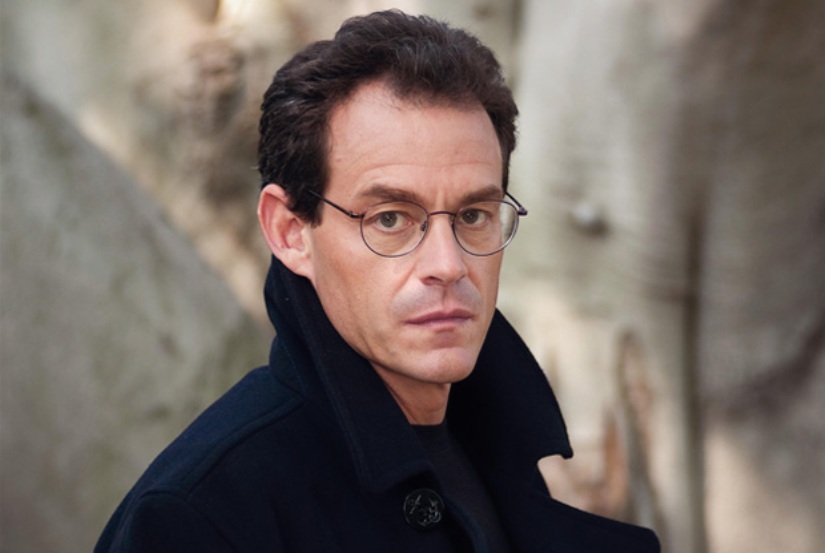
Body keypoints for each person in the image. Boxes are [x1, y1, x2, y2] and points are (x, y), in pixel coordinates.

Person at [95, 10, 660, 552]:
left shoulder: (498, 448)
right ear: (290, 232)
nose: (448, 264)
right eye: (390, 219)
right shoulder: (200, 515)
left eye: (473, 215)